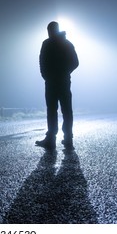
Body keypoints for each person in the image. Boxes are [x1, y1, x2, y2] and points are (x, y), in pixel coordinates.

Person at [36, 21, 79, 150]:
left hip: (53, 82)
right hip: (61, 81)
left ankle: (54, 139)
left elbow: (42, 62)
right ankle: (66, 139)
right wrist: (64, 72)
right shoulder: (66, 44)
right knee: (65, 110)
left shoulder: (47, 44)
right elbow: (75, 62)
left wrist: (47, 75)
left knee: (54, 110)